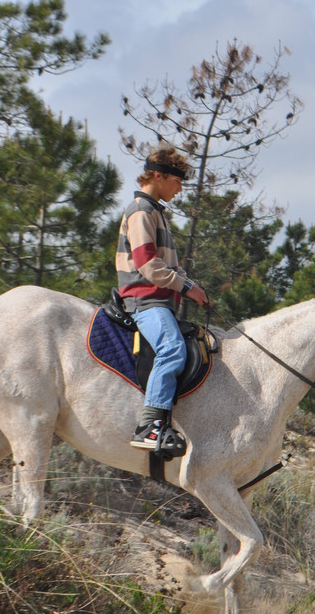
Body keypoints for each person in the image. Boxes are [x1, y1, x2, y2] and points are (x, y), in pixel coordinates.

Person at [116, 145, 209, 454]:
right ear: (158, 175)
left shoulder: (155, 211)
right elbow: (147, 265)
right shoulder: (142, 211)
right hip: (145, 302)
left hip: (160, 301)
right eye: (177, 180)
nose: (180, 188)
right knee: (171, 350)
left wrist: (190, 285)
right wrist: (185, 288)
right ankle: (150, 426)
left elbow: (169, 266)